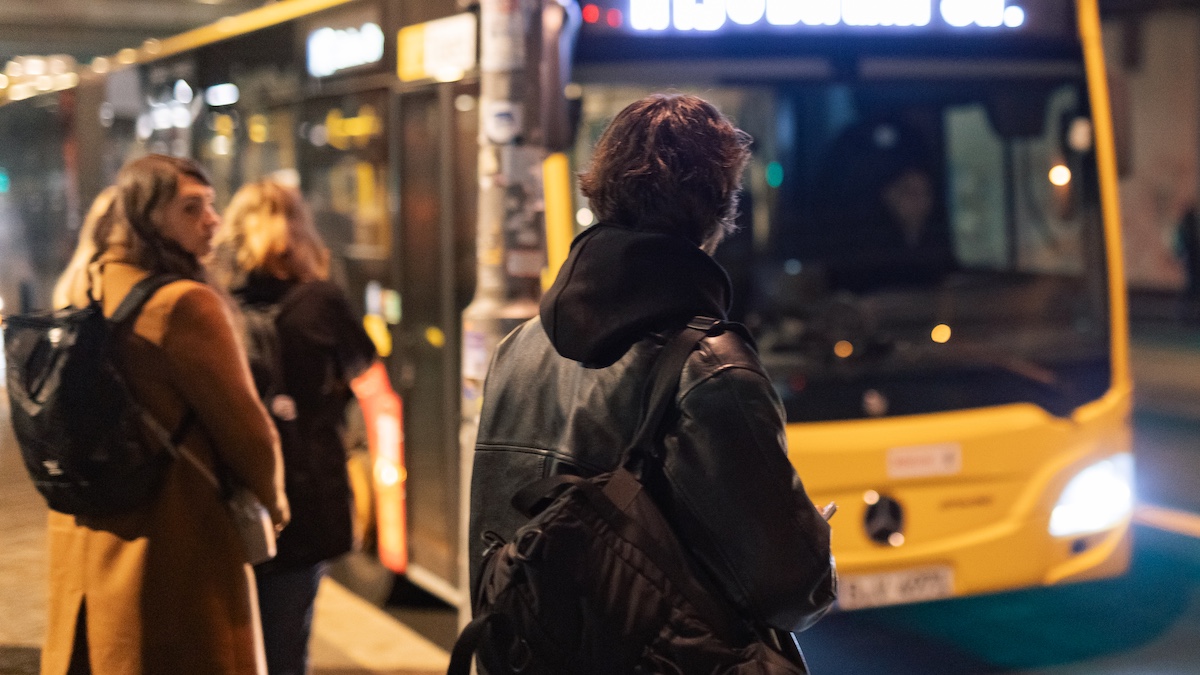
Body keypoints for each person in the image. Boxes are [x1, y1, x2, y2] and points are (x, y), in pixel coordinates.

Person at [468, 94, 836, 666]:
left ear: (600, 191)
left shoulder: (517, 350)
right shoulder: (714, 370)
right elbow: (792, 590)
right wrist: (813, 542)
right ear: (721, 208)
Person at [42, 154, 289, 674]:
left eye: (212, 205)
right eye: (191, 208)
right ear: (146, 216)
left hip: (87, 541)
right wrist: (273, 500)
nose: (213, 220)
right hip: (175, 542)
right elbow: (248, 434)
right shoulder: (184, 304)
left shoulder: (86, 284)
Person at [211, 178, 377, 675]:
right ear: (300, 233)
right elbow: (362, 364)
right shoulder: (321, 302)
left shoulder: (215, 306)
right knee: (286, 645)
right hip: (303, 498)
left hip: (232, 497)